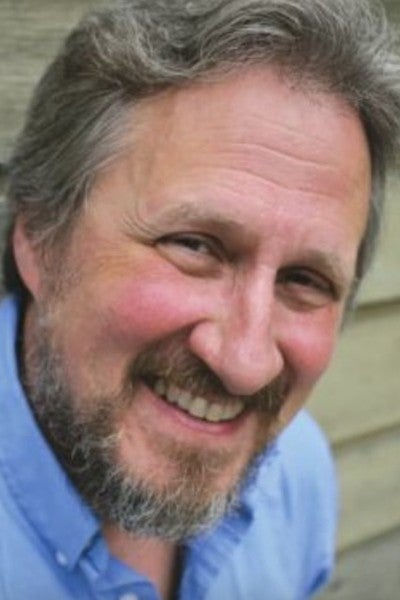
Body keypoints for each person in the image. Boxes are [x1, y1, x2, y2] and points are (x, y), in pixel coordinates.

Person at [1, 0, 399, 598]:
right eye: (194, 246)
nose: (245, 363)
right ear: (39, 238)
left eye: (304, 280)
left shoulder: (298, 477)